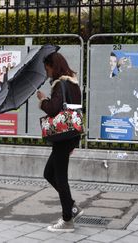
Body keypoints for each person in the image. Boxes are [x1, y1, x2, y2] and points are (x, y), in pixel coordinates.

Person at [36, 52, 83, 233]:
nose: (46, 71)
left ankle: (67, 219)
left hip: (63, 137)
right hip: (69, 136)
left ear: (53, 66)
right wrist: (74, 141)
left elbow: (54, 109)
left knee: (60, 178)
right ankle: (71, 206)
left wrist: (42, 100)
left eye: (47, 67)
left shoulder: (60, 84)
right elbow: (76, 112)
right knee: (49, 172)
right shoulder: (73, 83)